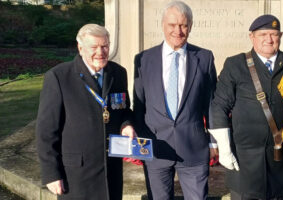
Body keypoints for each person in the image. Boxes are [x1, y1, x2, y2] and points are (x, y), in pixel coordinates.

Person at [208, 15, 283, 200]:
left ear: (280, 36)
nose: (269, 39)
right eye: (263, 34)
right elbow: (218, 105)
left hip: (279, 158)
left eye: (274, 34)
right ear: (252, 37)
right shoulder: (235, 64)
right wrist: (223, 147)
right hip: (245, 159)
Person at [36, 24, 135, 200]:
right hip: (76, 175)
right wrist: (51, 173)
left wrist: (126, 125)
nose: (101, 52)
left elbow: (124, 109)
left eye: (105, 46)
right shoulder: (59, 77)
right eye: (94, 47)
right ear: (80, 48)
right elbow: (46, 131)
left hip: (110, 171)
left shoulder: (118, 73)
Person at [132, 1, 217, 199]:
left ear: (190, 26)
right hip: (155, 149)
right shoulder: (144, 59)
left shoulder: (204, 58)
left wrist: (213, 142)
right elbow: (139, 105)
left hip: (194, 149)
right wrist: (140, 144)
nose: (178, 31)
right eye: (172, 25)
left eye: (183, 25)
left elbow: (211, 104)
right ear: (163, 25)